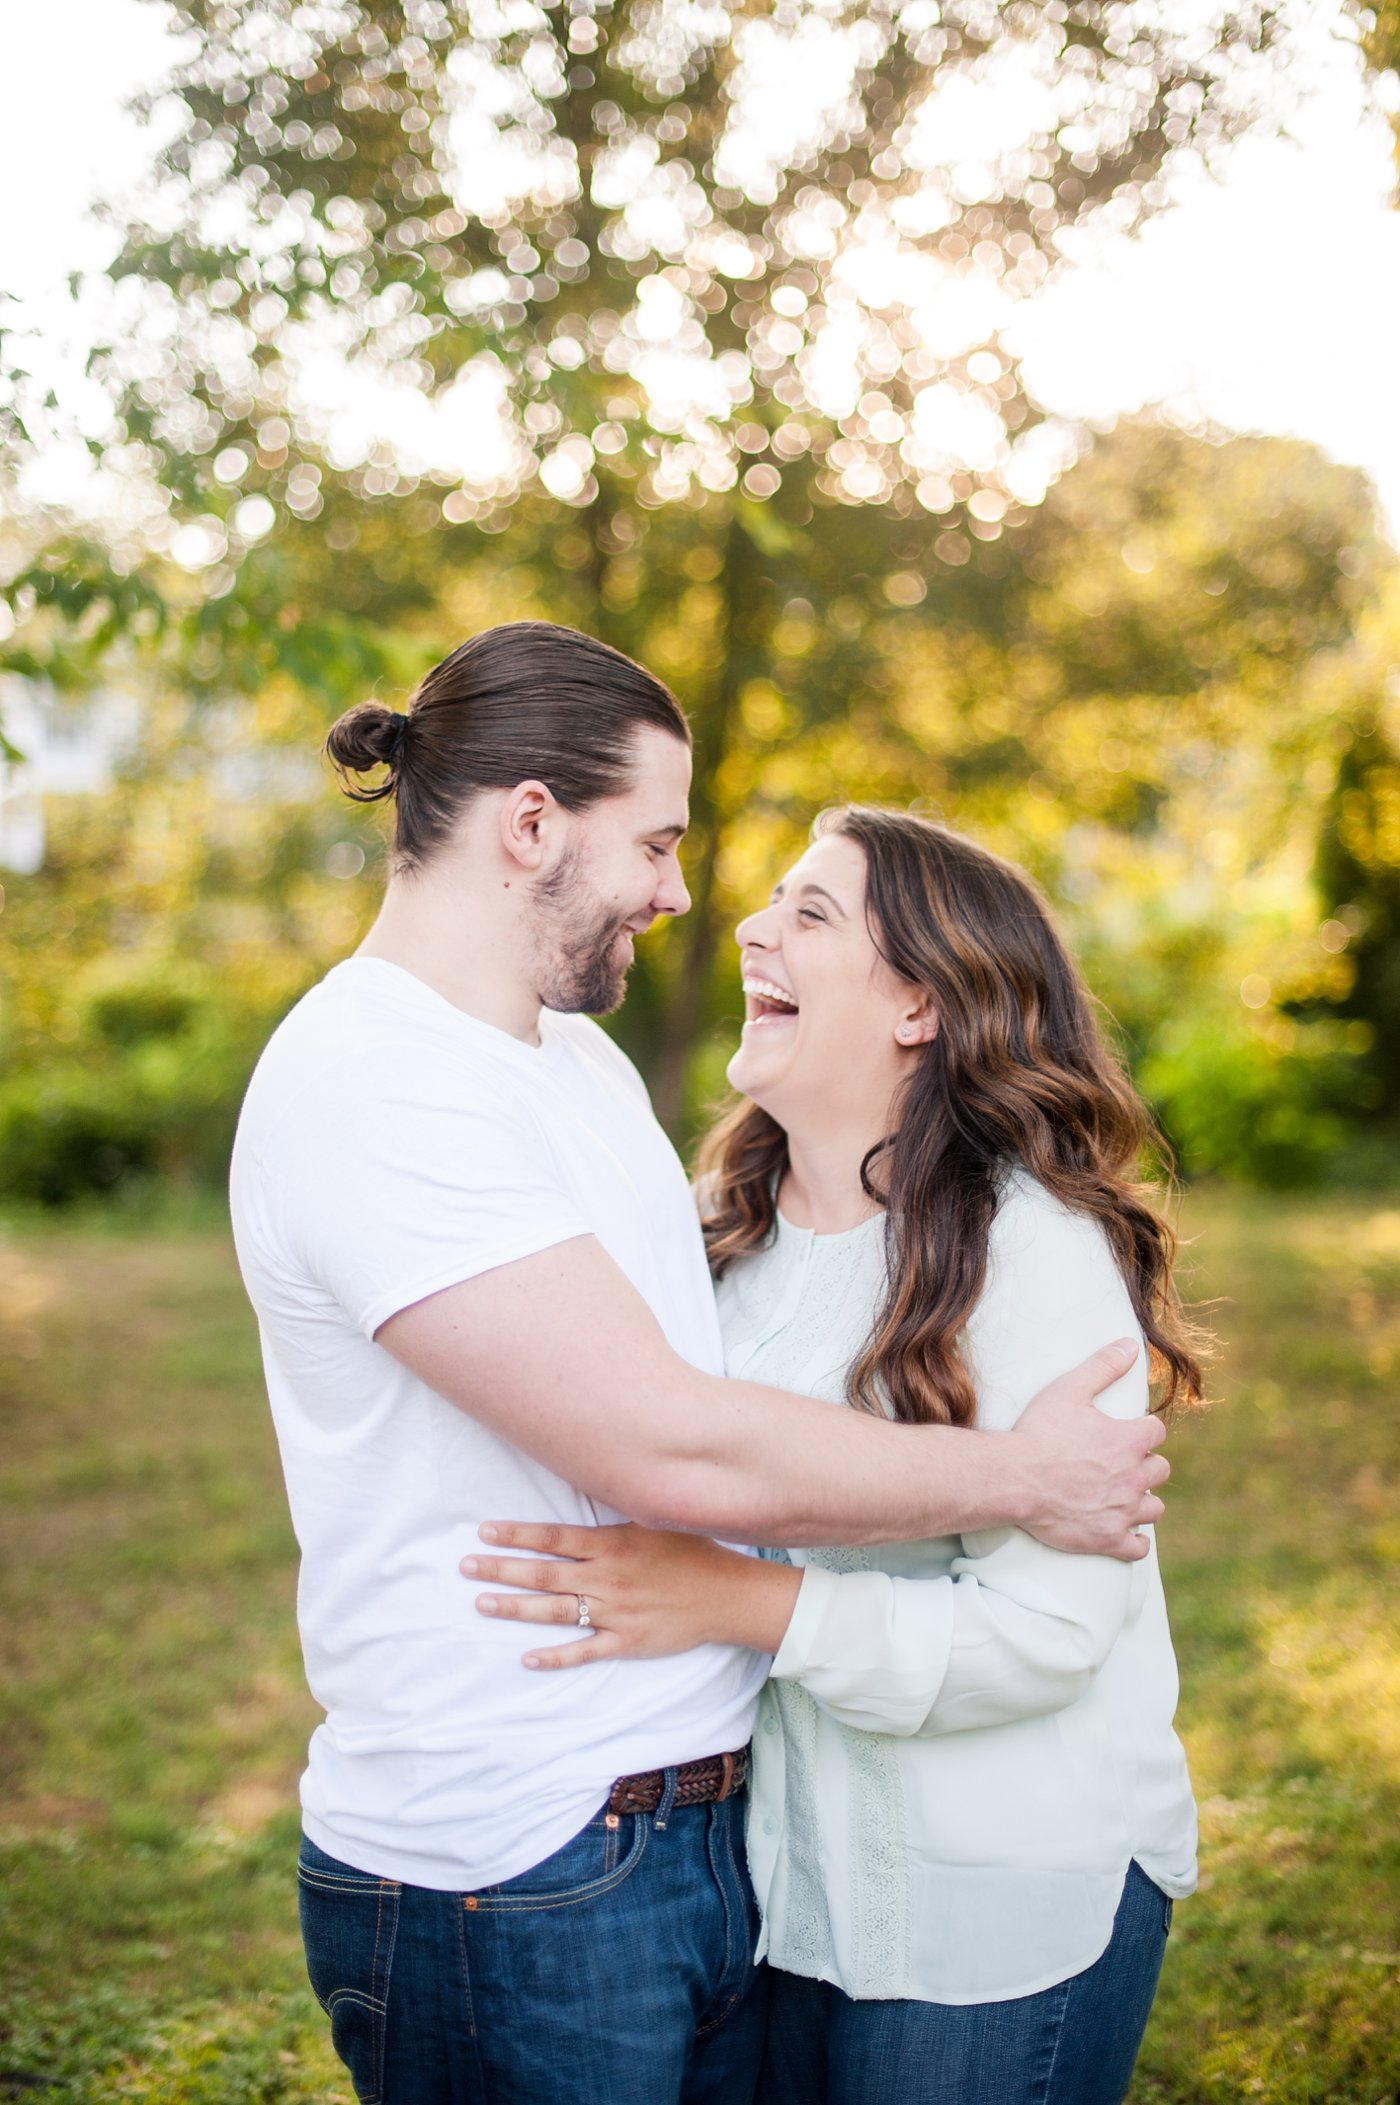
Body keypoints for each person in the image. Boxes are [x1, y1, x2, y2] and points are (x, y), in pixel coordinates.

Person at [228, 623, 1168, 2105]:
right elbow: (671, 1446)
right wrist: (1022, 1477)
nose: (686, 895)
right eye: (658, 843)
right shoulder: (374, 1082)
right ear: (531, 823)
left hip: (706, 1856)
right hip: (518, 1867)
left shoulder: (579, 1067)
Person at [460, 805, 1202, 2105]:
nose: (749, 923)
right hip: (776, 1893)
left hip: (997, 1906)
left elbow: (1049, 1631)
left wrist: (741, 1599)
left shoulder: (1031, 1246)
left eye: (811, 912)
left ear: (921, 1002)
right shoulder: (713, 1232)